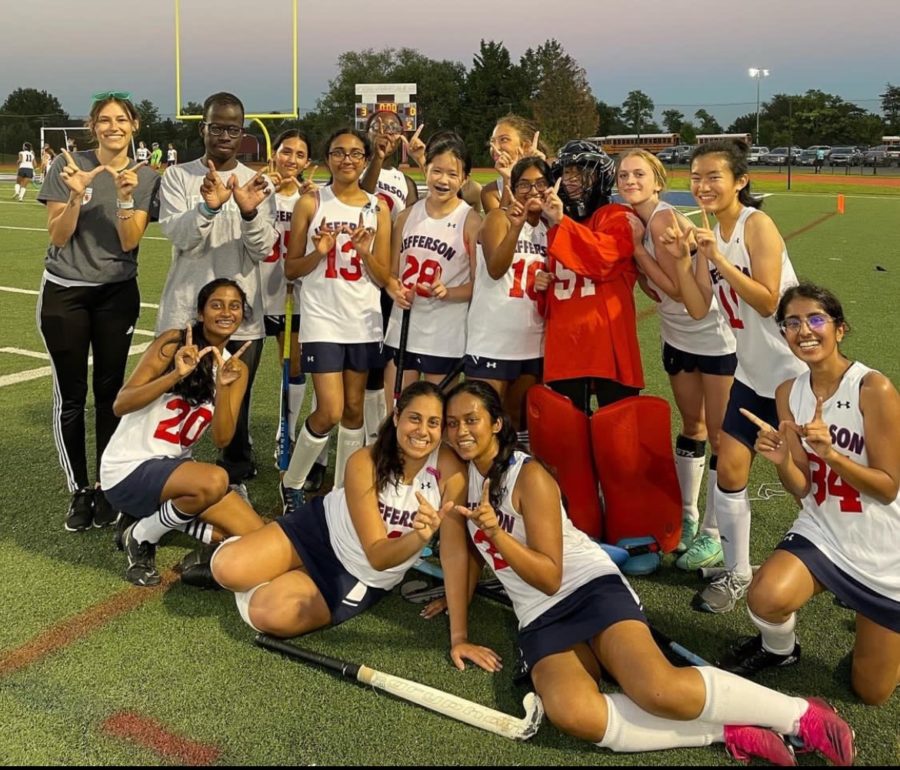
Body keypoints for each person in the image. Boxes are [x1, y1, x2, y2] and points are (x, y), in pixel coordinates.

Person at [439, 380, 855, 765]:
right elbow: (461, 556)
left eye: (471, 420)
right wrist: (459, 635)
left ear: (496, 422)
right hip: (536, 613)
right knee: (573, 713)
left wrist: (496, 532)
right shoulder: (463, 480)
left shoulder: (527, 475)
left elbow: (549, 575)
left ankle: (801, 714)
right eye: (453, 423)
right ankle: (726, 732)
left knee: (658, 689)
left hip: (586, 587)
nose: (461, 432)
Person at [718, 283, 899, 706]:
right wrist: (784, 461)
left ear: (840, 329)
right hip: (825, 529)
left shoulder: (874, 389)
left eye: (816, 319)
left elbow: (888, 488)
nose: (805, 331)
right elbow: (803, 489)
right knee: (766, 596)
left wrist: (831, 455)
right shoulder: (788, 393)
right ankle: (780, 651)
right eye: (792, 323)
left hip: (881, 544)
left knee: (871, 693)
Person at [660, 139, 806, 613]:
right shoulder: (708, 232)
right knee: (732, 470)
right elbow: (700, 306)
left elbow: (768, 301)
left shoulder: (755, 225)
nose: (701, 185)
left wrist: (717, 259)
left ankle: (841, 557)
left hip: (791, 375)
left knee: (806, 479)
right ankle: (738, 572)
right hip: (751, 374)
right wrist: (685, 261)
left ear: (739, 181)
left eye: (713, 176)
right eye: (696, 177)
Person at [210, 381, 467, 637]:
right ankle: (246, 547)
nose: (422, 431)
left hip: (358, 573)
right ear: (397, 416)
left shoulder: (450, 472)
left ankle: (277, 568)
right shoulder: (365, 461)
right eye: (414, 418)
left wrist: (459, 637)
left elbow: (447, 553)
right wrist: (419, 537)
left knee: (267, 613)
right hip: (322, 529)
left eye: (433, 423)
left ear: (442, 429)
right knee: (225, 568)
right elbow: (377, 551)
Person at [37, 91, 160, 531]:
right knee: (71, 396)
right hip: (66, 293)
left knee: (110, 395)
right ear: (93, 126)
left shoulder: (144, 176)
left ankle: (108, 486)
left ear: (134, 126)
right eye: (104, 120)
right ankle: (79, 490)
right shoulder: (67, 165)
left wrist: (125, 197)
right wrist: (77, 195)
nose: (113, 127)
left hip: (115, 294)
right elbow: (58, 235)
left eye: (121, 119)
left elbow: (130, 242)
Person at [100, 279, 266, 586]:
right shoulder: (172, 343)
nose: (226, 312)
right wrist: (176, 374)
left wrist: (226, 389)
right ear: (201, 313)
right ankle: (140, 535)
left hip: (175, 477)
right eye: (216, 305)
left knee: (258, 537)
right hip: (127, 470)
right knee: (216, 479)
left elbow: (222, 439)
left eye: (235, 306)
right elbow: (121, 404)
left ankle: (173, 536)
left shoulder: (235, 369)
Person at [616, 150, 736, 558]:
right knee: (693, 425)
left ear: (658, 181)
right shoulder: (644, 220)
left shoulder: (663, 219)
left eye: (639, 174)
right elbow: (658, 290)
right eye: (623, 174)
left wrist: (636, 250)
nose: (629, 180)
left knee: (719, 436)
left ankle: (713, 529)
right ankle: (686, 515)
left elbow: (673, 288)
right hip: (679, 336)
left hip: (713, 335)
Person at [156, 92, 277, 498]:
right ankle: (171, 467)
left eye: (233, 128)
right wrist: (207, 208)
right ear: (202, 128)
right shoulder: (178, 177)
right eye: (217, 126)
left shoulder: (257, 183)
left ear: (243, 133)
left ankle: (237, 466)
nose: (225, 135)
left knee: (235, 398)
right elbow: (180, 236)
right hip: (187, 308)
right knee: (178, 393)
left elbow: (263, 249)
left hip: (239, 314)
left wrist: (247, 211)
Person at [280, 128, 391, 508]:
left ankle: (342, 493)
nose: (347, 159)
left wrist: (364, 253)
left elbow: (385, 276)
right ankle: (292, 483)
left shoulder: (379, 208)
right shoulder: (311, 203)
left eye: (356, 153)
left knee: (356, 409)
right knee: (330, 409)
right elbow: (291, 269)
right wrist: (320, 251)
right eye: (338, 152)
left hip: (363, 320)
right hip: (323, 318)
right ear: (327, 158)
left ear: (365, 159)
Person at [540, 140, 641, 414]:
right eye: (567, 173)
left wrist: (562, 223)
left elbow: (604, 259)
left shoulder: (617, 215)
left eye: (580, 172)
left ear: (601, 176)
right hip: (566, 341)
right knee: (569, 440)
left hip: (607, 342)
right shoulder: (548, 221)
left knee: (619, 436)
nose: (572, 180)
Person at [383, 132, 479, 398]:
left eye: (452, 174)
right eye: (436, 171)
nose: (443, 180)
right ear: (425, 169)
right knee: (397, 415)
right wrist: (395, 290)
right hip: (403, 328)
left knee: (438, 416)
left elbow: (479, 285)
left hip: (444, 335)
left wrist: (449, 292)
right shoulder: (405, 216)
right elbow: (391, 274)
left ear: (465, 179)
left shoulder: (470, 221)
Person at [466, 156, 552, 437]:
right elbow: (495, 268)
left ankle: (512, 480)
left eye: (540, 183)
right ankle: (478, 481)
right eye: (524, 185)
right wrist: (516, 228)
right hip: (493, 339)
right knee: (482, 421)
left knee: (518, 422)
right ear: (513, 189)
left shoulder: (551, 229)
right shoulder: (498, 218)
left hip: (532, 340)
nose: (533, 190)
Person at [358, 109, 420, 448]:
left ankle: (378, 434)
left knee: (384, 362)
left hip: (387, 277)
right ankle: (361, 439)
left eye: (393, 128)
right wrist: (376, 160)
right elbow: (364, 197)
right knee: (360, 365)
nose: (385, 132)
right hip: (357, 278)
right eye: (377, 127)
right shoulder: (359, 171)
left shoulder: (405, 181)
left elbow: (410, 225)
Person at [258, 129, 316, 463]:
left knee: (293, 363)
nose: (291, 159)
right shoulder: (257, 191)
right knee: (242, 369)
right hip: (254, 291)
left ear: (307, 162)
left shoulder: (310, 199)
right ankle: (239, 435)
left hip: (291, 292)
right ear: (274, 154)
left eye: (299, 154)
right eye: (286, 151)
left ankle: (287, 432)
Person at [481, 115, 543, 213]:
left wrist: (543, 172)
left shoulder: (549, 178)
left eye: (503, 139)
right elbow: (499, 226)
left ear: (525, 146)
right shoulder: (491, 191)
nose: (495, 147)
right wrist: (508, 181)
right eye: (492, 141)